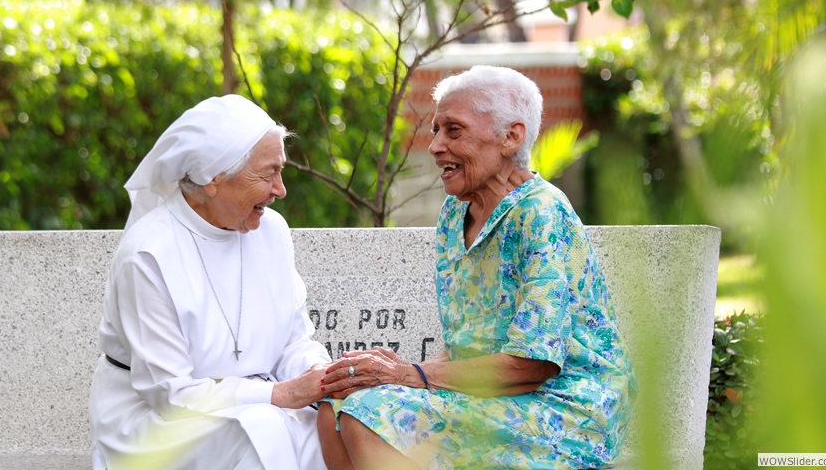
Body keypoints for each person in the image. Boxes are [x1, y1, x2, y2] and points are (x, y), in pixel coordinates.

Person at [317, 66, 637, 469]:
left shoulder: (541, 212)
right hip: (494, 393)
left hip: (563, 406)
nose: (434, 146)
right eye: (436, 130)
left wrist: (410, 374)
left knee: (371, 417)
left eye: (453, 130)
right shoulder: (455, 212)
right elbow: (468, 342)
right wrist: (394, 371)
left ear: (511, 137)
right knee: (334, 407)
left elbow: (531, 364)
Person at [89, 94, 334, 470]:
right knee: (263, 433)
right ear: (213, 179)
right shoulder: (148, 255)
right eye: (268, 173)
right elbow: (170, 394)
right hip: (158, 423)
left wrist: (323, 379)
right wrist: (278, 394)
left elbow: (294, 340)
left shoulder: (272, 231)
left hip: (258, 402)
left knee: (328, 430)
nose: (280, 189)